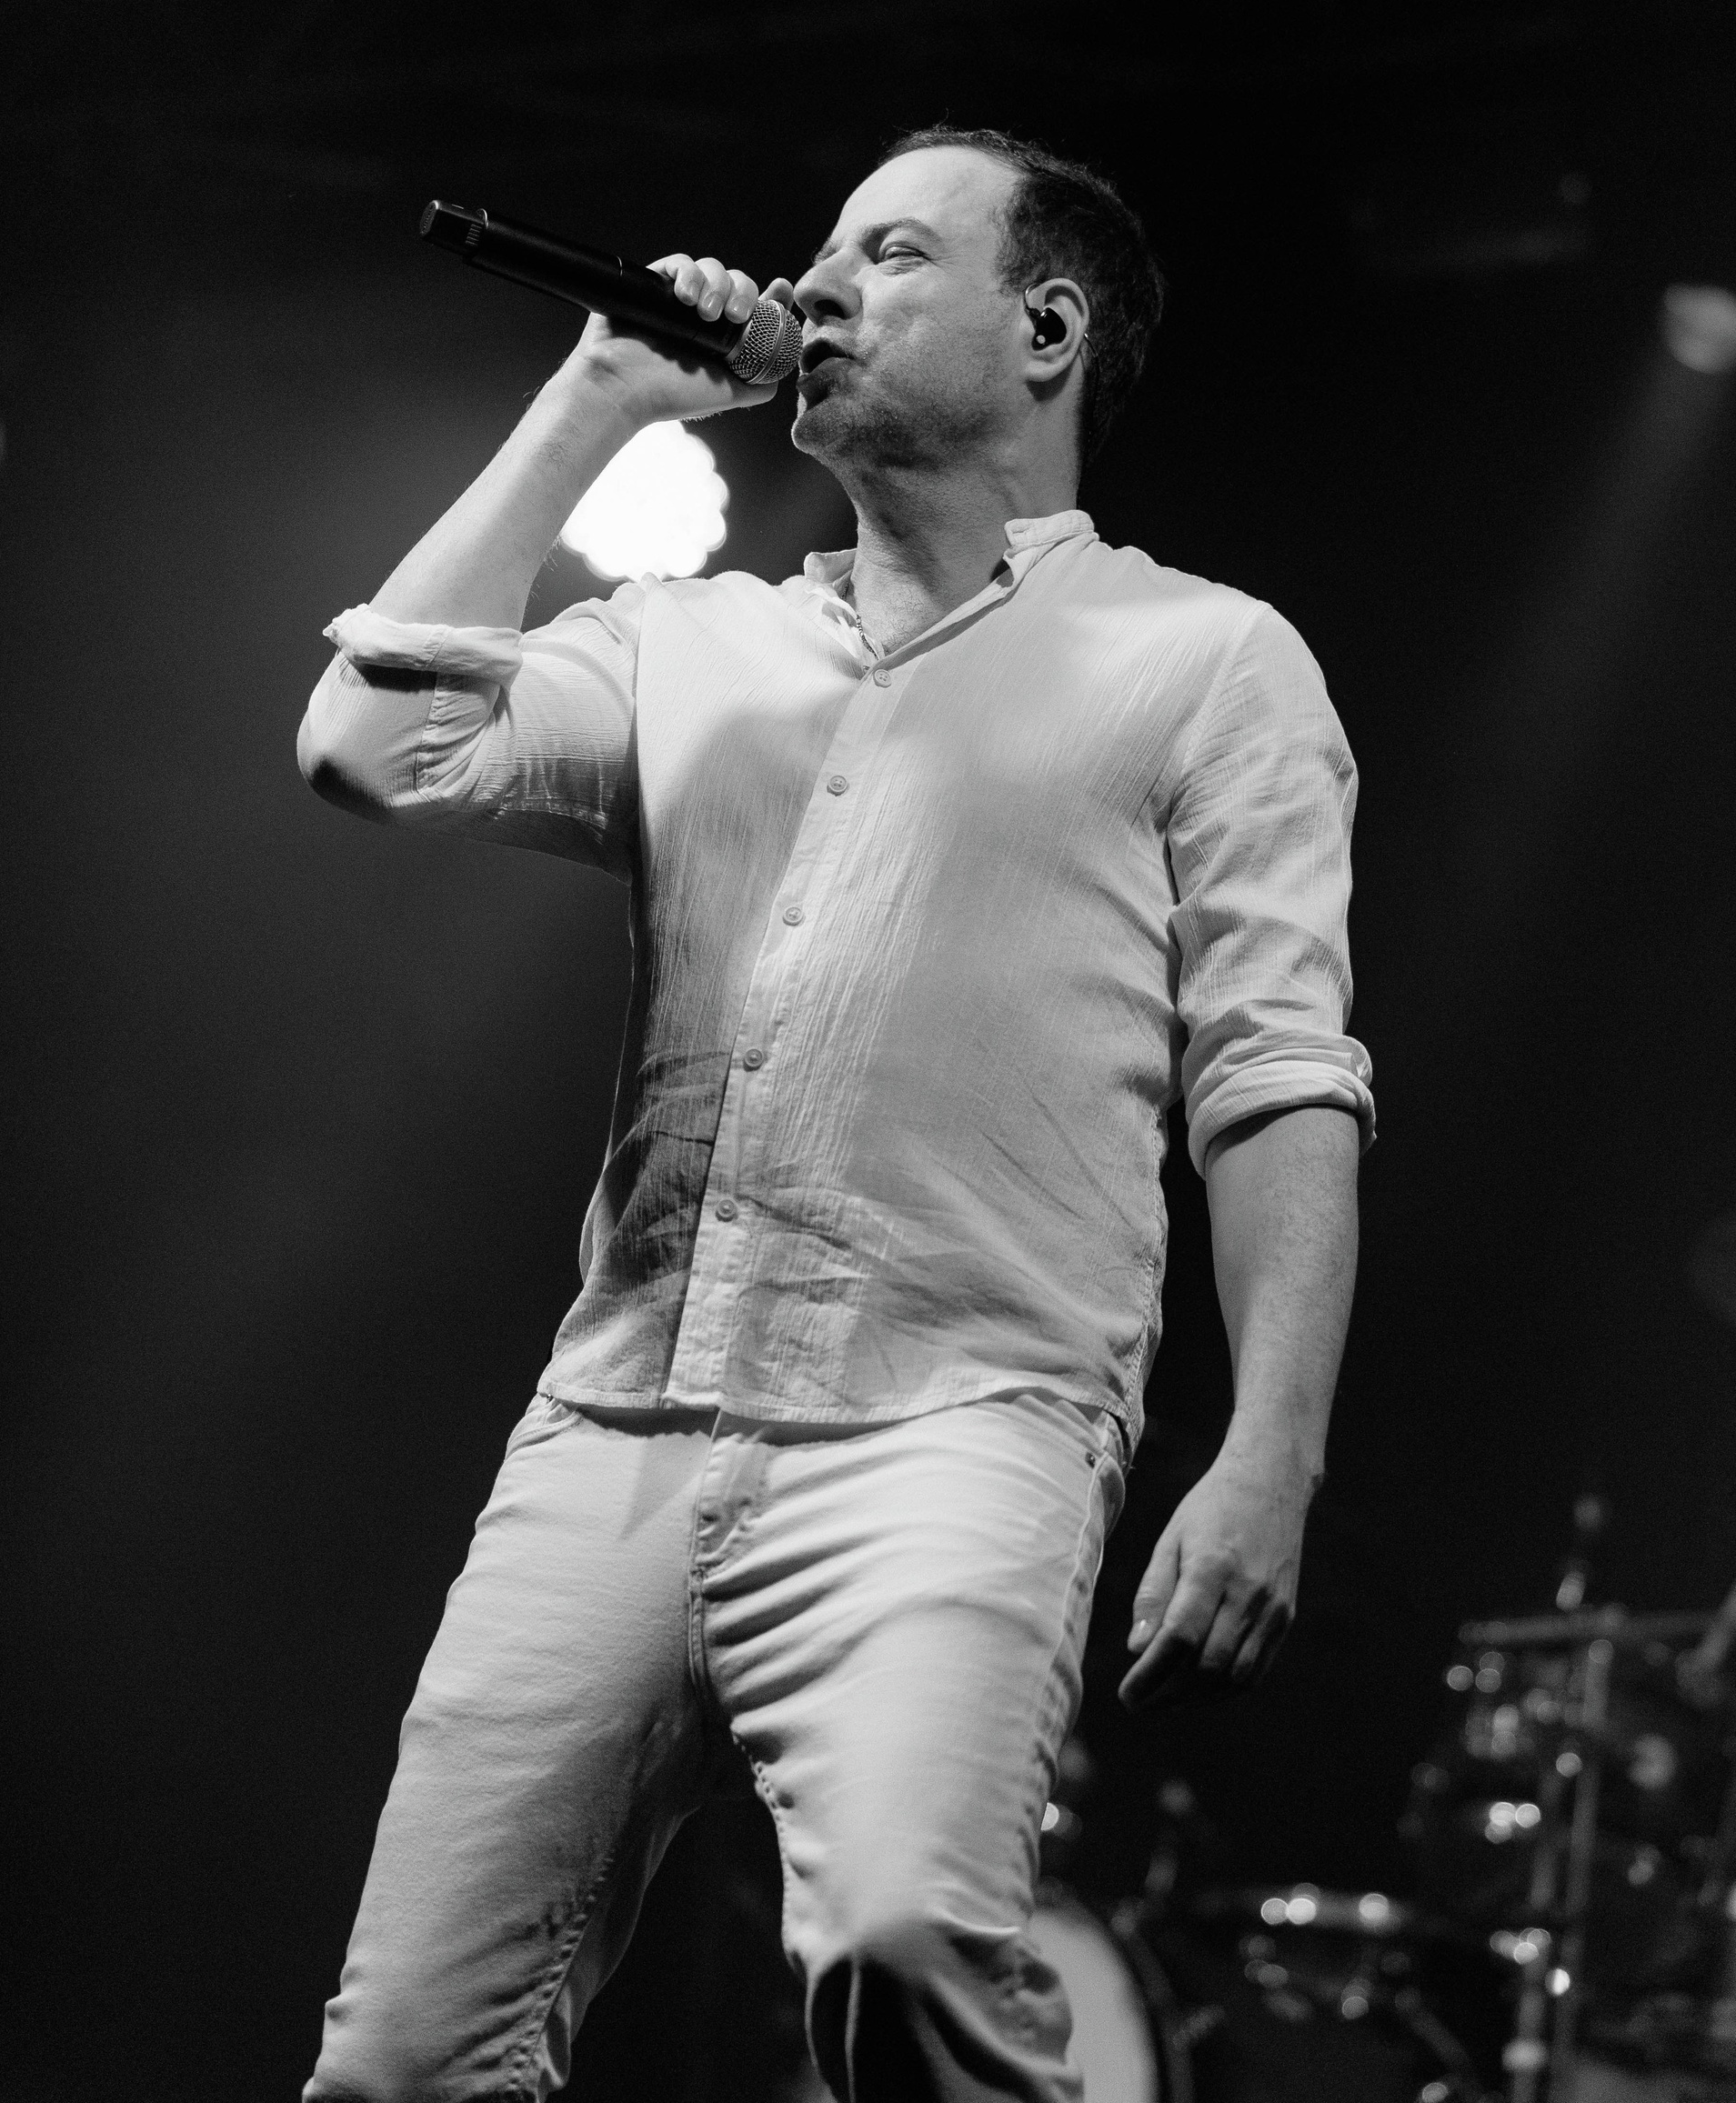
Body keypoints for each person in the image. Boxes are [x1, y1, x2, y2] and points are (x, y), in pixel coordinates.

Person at [296, 125, 1374, 2103]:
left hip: (961, 1417)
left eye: (888, 253)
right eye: (823, 254)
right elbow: (367, 742)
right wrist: (596, 399)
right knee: (402, 2060)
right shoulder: (695, 638)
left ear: (1045, 331)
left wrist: (1272, 1455)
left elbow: (1279, 1071)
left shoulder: (1208, 661)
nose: (816, 290)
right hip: (619, 1421)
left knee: (905, 1955)